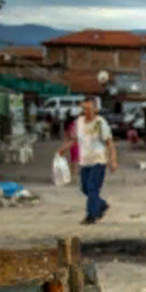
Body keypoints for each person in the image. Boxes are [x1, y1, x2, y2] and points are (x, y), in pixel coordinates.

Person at [58, 95, 117, 224]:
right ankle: (101, 205)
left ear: (95, 109)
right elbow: (74, 139)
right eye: (85, 108)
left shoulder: (101, 122)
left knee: (92, 187)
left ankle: (91, 216)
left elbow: (109, 143)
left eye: (90, 109)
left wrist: (113, 160)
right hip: (84, 161)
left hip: (99, 160)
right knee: (84, 188)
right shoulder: (79, 122)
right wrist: (63, 149)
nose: (87, 111)